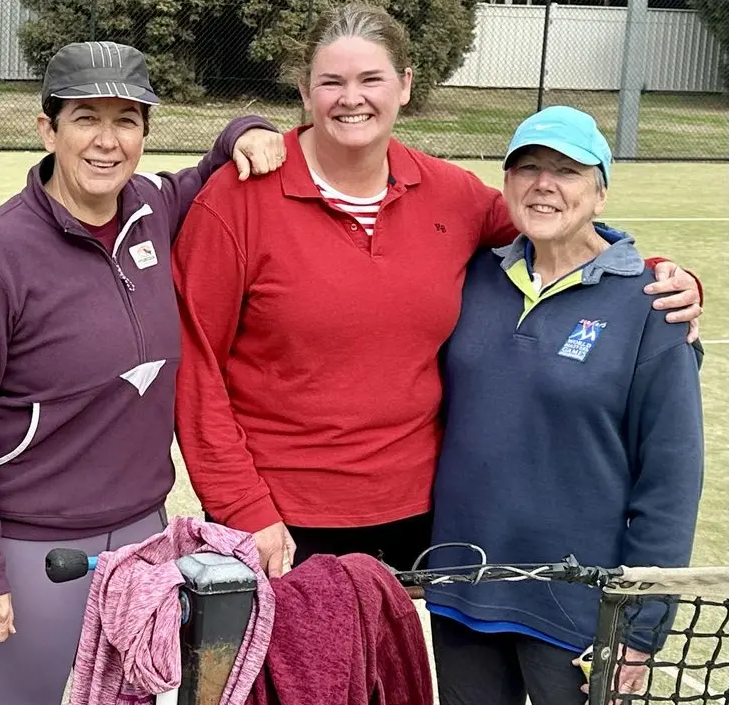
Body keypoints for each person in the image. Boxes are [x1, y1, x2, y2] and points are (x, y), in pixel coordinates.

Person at [170, 1, 702, 579]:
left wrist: (656, 273)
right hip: (280, 519)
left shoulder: (453, 195)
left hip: (423, 513)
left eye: (371, 79)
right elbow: (195, 368)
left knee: (395, 670)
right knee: (289, 671)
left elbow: (561, 235)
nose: (352, 98)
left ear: (404, 85)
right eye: (332, 82)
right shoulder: (236, 200)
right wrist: (243, 506)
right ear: (305, 91)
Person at [0, 41, 285, 705]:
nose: (107, 139)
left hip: (144, 534)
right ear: (46, 128)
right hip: (35, 549)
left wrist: (245, 125)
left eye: (127, 119)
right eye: (86, 118)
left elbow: (211, 167)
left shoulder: (152, 206)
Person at [423, 106, 703, 705]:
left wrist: (639, 629)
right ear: (508, 182)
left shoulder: (652, 306)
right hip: (466, 591)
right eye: (528, 168)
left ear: (599, 189)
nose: (544, 185)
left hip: (582, 612)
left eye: (567, 171)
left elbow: (670, 481)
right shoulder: (473, 278)